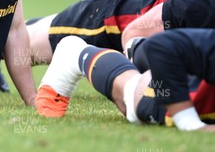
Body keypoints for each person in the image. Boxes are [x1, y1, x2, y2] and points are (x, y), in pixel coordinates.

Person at [35, 29, 215, 131]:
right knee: (131, 96)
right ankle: (75, 54)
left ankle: (138, 51)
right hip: (191, 94)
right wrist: (189, 123)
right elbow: (162, 45)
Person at [26, 0, 215, 66]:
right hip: (112, 18)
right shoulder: (201, 7)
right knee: (27, 46)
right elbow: (133, 33)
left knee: (39, 27)